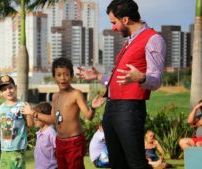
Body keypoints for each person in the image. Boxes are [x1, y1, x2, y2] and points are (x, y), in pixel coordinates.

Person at [76, 0, 166, 168]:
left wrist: (141, 77)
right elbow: (119, 79)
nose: (113, 28)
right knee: (117, 164)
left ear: (125, 20)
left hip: (129, 109)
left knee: (136, 164)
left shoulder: (153, 39)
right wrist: (97, 76)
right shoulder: (129, 42)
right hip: (112, 109)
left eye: (114, 22)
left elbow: (156, 80)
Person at [21, 57, 105, 169]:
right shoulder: (55, 97)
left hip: (74, 141)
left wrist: (93, 108)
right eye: (59, 75)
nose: (63, 78)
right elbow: (52, 119)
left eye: (66, 74)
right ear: (54, 77)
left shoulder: (76, 94)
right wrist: (33, 113)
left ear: (72, 76)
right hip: (60, 142)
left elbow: (89, 116)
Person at [0, 75, 34, 169]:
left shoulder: (22, 105)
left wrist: (29, 113)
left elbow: (30, 125)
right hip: (4, 149)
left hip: (18, 148)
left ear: (15, 87)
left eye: (10, 87)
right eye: (4, 89)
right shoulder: (1, 108)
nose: (8, 91)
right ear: (0, 93)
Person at [33, 102, 57, 169]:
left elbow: (58, 149)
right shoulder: (39, 133)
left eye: (37, 116)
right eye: (34, 117)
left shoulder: (51, 132)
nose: (35, 119)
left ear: (45, 116)